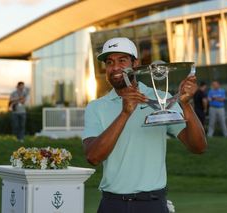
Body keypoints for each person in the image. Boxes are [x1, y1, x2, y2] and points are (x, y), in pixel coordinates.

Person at [82, 37, 207, 213]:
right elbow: (93, 157)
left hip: (152, 204)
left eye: (122, 60)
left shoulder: (160, 98)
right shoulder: (96, 107)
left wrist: (185, 104)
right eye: (109, 62)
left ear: (136, 63)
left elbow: (198, 146)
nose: (115, 67)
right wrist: (125, 113)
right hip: (112, 204)